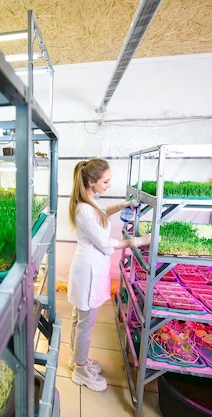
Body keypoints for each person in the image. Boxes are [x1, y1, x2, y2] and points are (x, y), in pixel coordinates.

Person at [67, 158, 151, 392]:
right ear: (91, 182)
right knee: (85, 323)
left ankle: (77, 359)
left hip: (88, 267)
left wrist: (124, 205)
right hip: (89, 271)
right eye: (106, 181)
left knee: (79, 318)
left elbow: (102, 212)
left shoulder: (88, 202)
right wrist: (140, 240)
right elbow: (106, 244)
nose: (109, 184)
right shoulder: (84, 210)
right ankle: (81, 370)